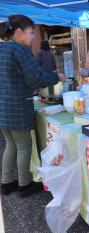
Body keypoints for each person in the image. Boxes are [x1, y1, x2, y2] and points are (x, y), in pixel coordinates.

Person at [0, 14, 66, 197]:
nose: (33, 37)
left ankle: (6, 183)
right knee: (23, 146)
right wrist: (56, 77)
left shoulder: (2, 48)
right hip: (17, 106)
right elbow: (35, 77)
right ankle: (24, 184)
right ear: (19, 32)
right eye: (31, 33)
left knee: (10, 145)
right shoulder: (20, 50)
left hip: (3, 107)